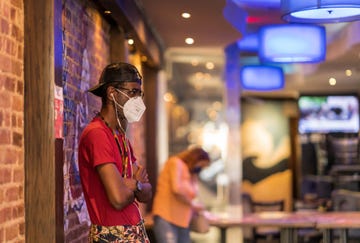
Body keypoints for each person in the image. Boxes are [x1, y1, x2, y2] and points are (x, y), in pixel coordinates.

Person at [78, 62, 152, 243]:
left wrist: (134, 185)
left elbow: (147, 193)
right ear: (112, 93)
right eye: (133, 92)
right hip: (112, 236)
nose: (138, 100)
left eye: (139, 94)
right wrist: (135, 185)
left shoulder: (121, 137)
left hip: (133, 233)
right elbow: (118, 198)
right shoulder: (97, 134)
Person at [152, 146, 210, 243]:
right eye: (202, 165)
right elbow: (177, 189)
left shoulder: (190, 172)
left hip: (183, 220)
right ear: (196, 159)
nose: (201, 169)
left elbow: (194, 193)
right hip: (167, 217)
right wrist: (193, 205)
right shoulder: (175, 163)